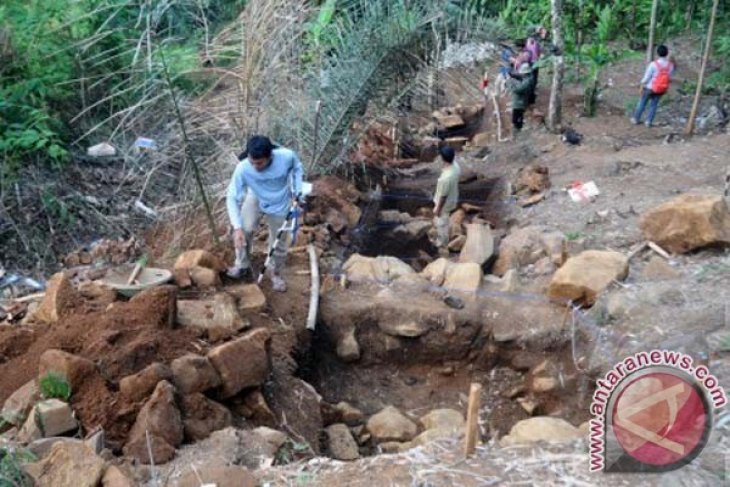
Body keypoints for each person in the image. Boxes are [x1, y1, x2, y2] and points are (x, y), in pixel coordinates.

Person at [226, 135, 304, 292]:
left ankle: (275, 273)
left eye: (260, 163)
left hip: (280, 200)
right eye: (252, 162)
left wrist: (298, 191)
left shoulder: (286, 156)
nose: (255, 166)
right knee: (245, 229)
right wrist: (237, 228)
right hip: (255, 195)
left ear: (270, 156)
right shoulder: (243, 167)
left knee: (279, 240)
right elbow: (232, 197)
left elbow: (297, 168)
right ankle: (242, 265)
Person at [631, 44, 676, 128]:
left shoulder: (653, 64)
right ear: (667, 53)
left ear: (657, 53)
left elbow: (647, 77)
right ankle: (649, 121)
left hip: (650, 87)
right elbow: (670, 77)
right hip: (661, 89)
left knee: (642, 103)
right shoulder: (671, 65)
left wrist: (641, 86)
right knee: (654, 105)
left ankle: (635, 119)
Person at [432, 146, 461, 253]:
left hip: (445, 204)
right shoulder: (456, 166)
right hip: (453, 197)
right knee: (444, 219)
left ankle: (442, 243)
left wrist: (438, 209)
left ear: (443, 158)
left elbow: (443, 196)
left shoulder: (446, 178)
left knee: (442, 223)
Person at [510, 63, 534, 134]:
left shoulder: (527, 81)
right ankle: (517, 129)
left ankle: (518, 130)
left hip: (520, 102)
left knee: (516, 118)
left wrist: (510, 84)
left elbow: (518, 89)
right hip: (521, 101)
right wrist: (512, 75)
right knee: (517, 117)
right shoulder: (529, 78)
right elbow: (520, 77)